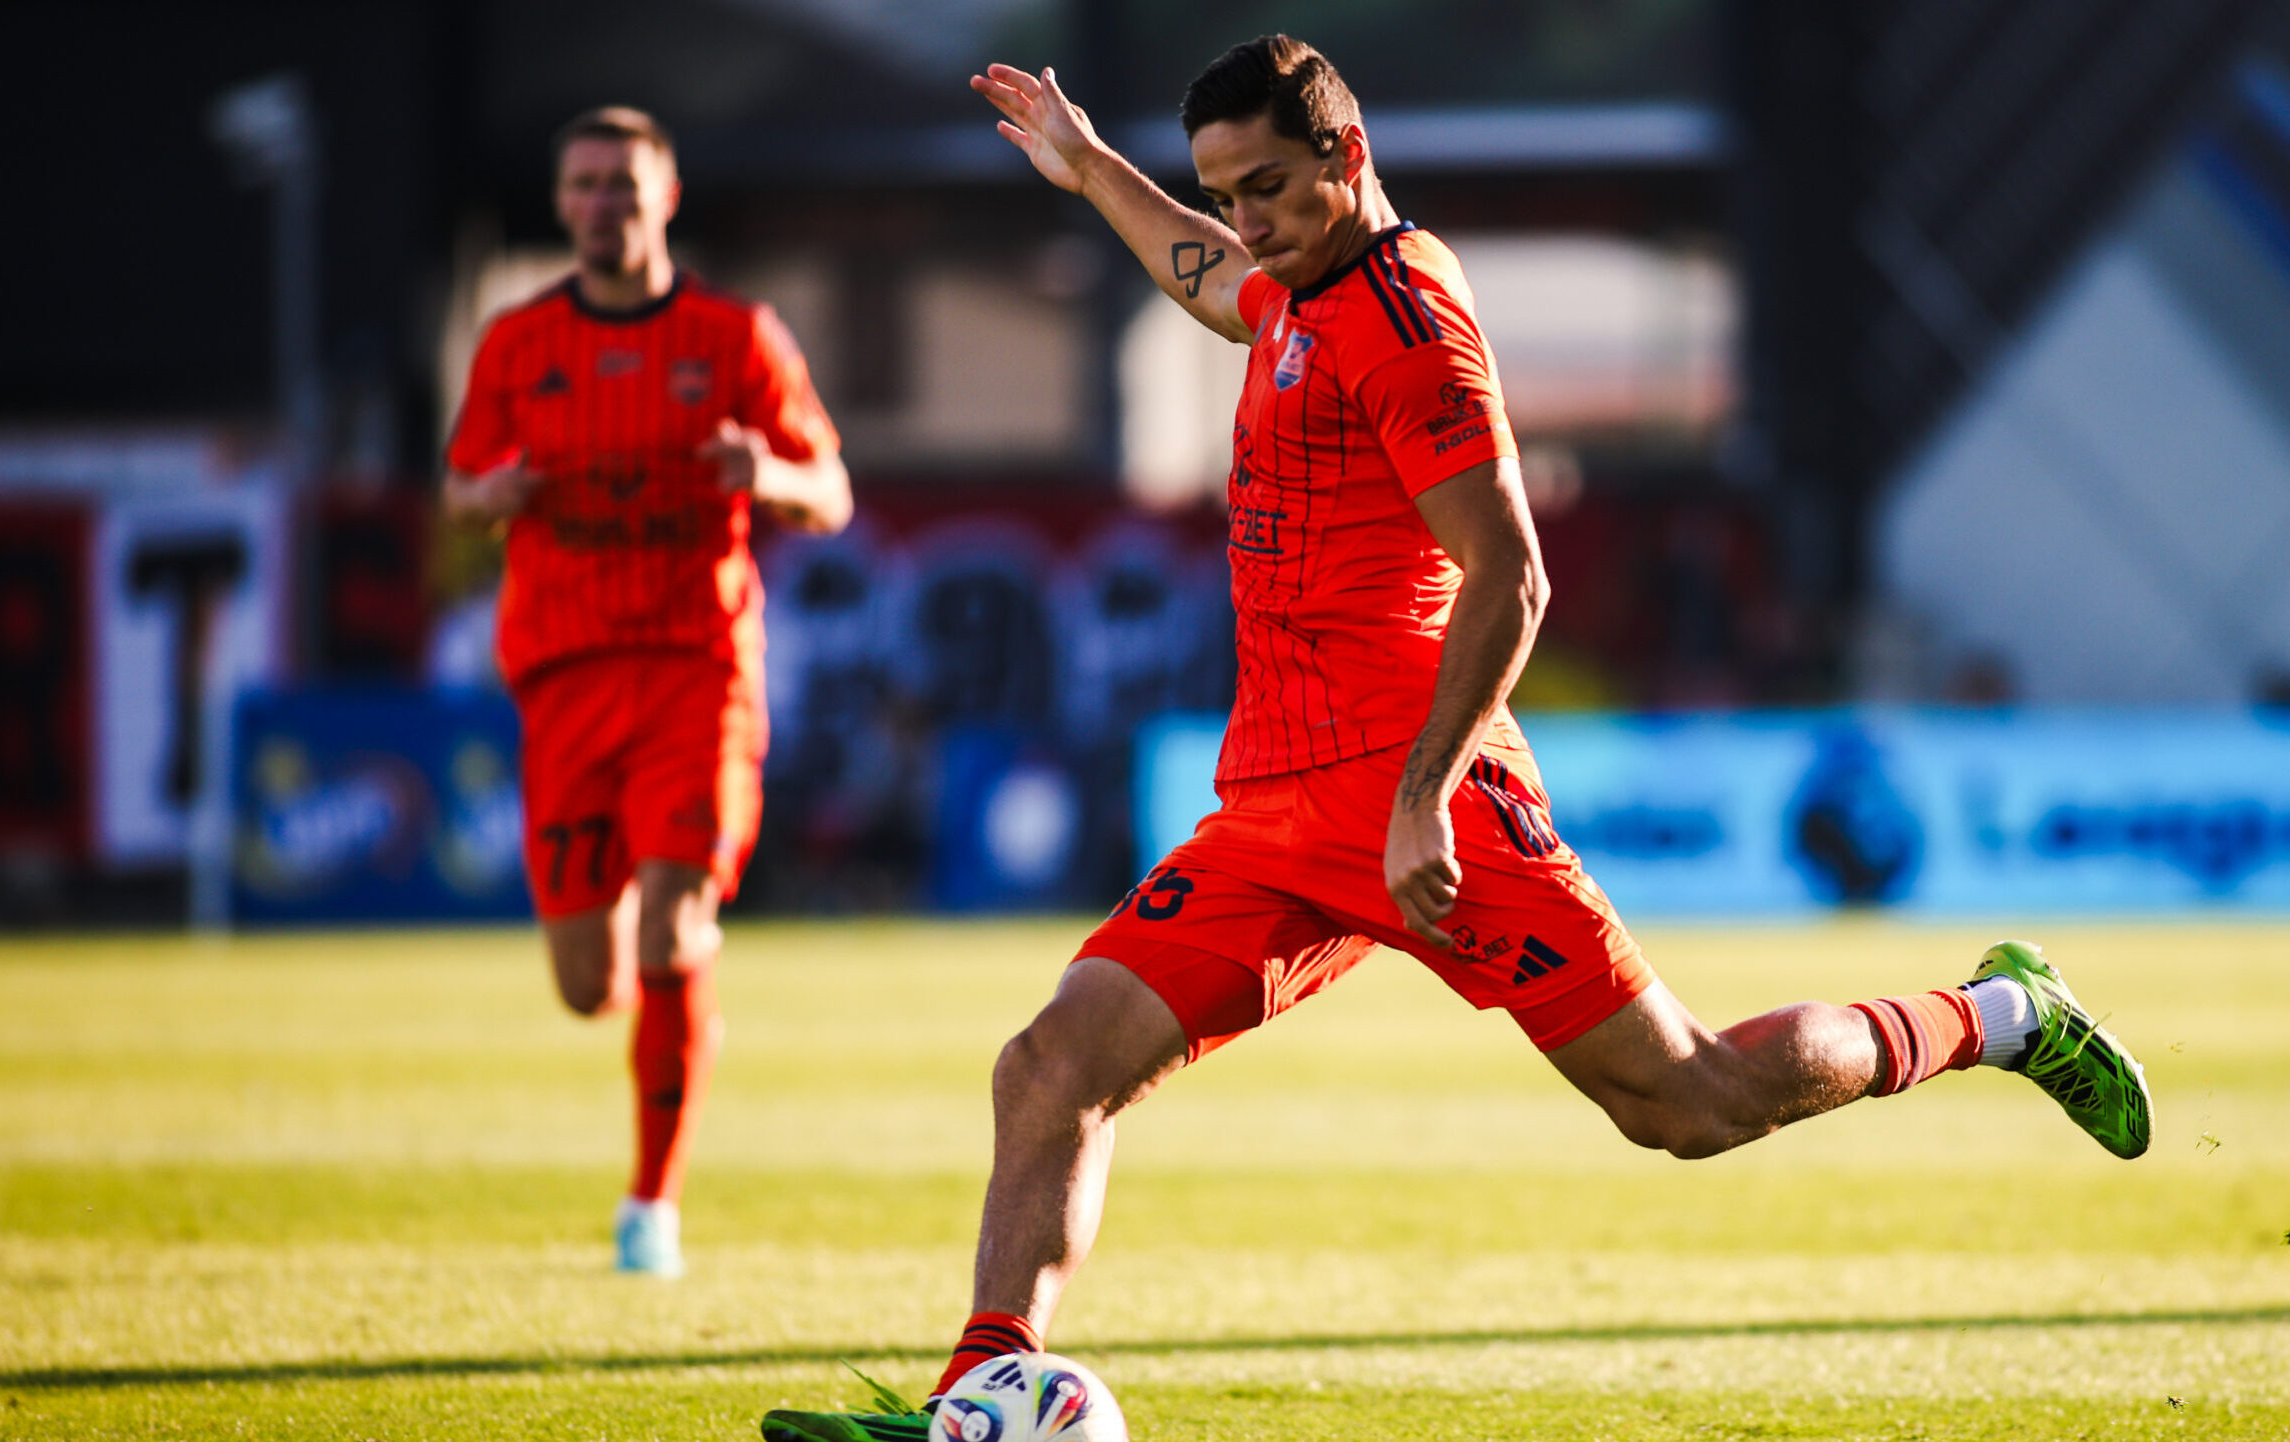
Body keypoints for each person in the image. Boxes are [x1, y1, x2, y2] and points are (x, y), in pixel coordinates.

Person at [765, 36, 2146, 1440]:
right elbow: (1209, 277)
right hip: (1274, 811)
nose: (1246, 221)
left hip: (1422, 792)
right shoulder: (1292, 288)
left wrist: (1423, 792)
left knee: (1691, 1101)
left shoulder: (1407, 321)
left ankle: (2001, 1014)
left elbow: (1513, 575)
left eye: (1267, 188)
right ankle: (982, 1397)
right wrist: (1091, 170)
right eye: (1226, 193)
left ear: (1347, 156)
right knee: (1052, 1064)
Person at [443, 105, 851, 1278]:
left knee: (673, 928)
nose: (602, 204)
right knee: (591, 987)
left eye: (623, 183)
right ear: (559, 202)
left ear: (665, 196)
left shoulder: (735, 335)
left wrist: (765, 473)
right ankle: (661, 970)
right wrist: (491, 495)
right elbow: (460, 488)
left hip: (695, 668)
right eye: (583, 184)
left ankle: (651, 1204)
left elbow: (830, 491)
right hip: (566, 673)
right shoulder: (516, 343)